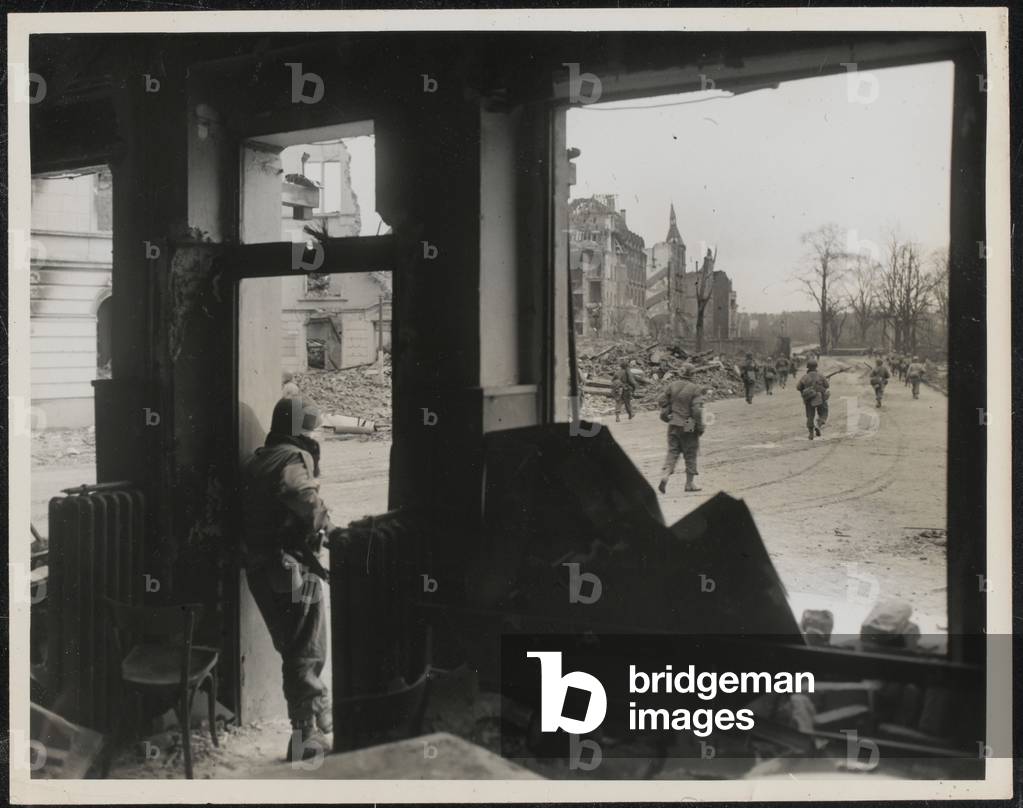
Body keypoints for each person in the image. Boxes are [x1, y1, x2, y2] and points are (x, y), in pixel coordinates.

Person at [239, 396, 339, 761]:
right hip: (292, 571)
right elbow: (303, 498)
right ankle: (306, 736)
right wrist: (328, 525)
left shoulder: (258, 459)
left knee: (294, 648)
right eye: (312, 429)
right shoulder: (292, 460)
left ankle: (318, 721)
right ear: (301, 431)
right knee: (306, 649)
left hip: (261, 571)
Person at [657, 363, 705, 494]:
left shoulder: (672, 385)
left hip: (673, 422)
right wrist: (700, 426)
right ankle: (689, 484)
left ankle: (665, 474)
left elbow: (661, 400)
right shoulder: (695, 389)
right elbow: (696, 411)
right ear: (692, 374)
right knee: (690, 452)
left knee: (673, 451)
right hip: (688, 422)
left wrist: (670, 412)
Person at [796, 356, 830, 440]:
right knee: (824, 412)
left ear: (808, 367)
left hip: (809, 398)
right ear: (816, 367)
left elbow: (798, 387)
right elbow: (827, 385)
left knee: (810, 416)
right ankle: (818, 425)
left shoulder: (805, 377)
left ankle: (811, 433)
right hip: (820, 398)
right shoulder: (820, 376)